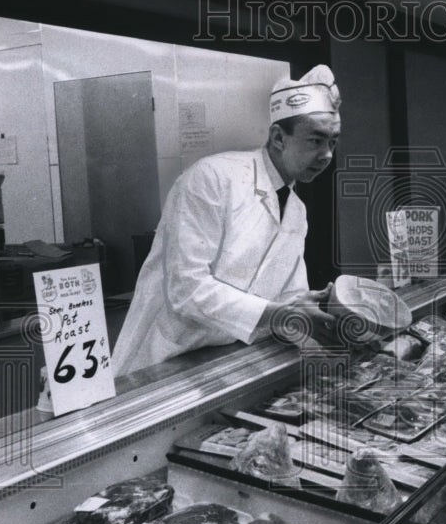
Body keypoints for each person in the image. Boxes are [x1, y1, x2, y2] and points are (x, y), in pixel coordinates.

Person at [113, 64, 342, 376]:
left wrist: (311, 308)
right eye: (316, 140)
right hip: (167, 361)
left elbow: (285, 298)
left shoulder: (296, 211)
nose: (327, 154)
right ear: (278, 138)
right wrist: (280, 315)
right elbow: (186, 288)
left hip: (230, 361)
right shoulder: (212, 179)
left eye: (333, 142)